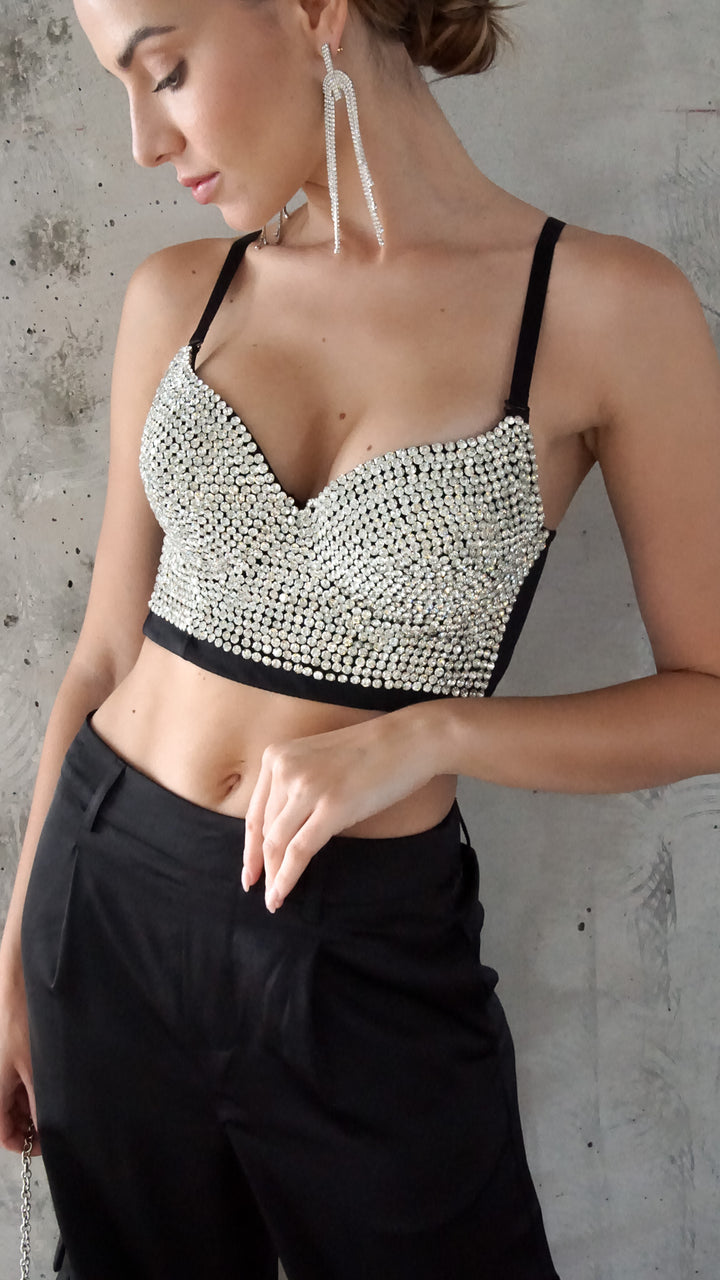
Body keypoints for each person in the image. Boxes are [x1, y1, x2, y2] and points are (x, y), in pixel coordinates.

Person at [1, 0, 719, 1276]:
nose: (142, 143)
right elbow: (104, 655)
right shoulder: (179, 297)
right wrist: (13, 954)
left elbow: (711, 694)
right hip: (102, 904)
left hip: (363, 949)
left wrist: (429, 736)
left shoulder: (606, 308)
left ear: (314, 10)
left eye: (166, 71)